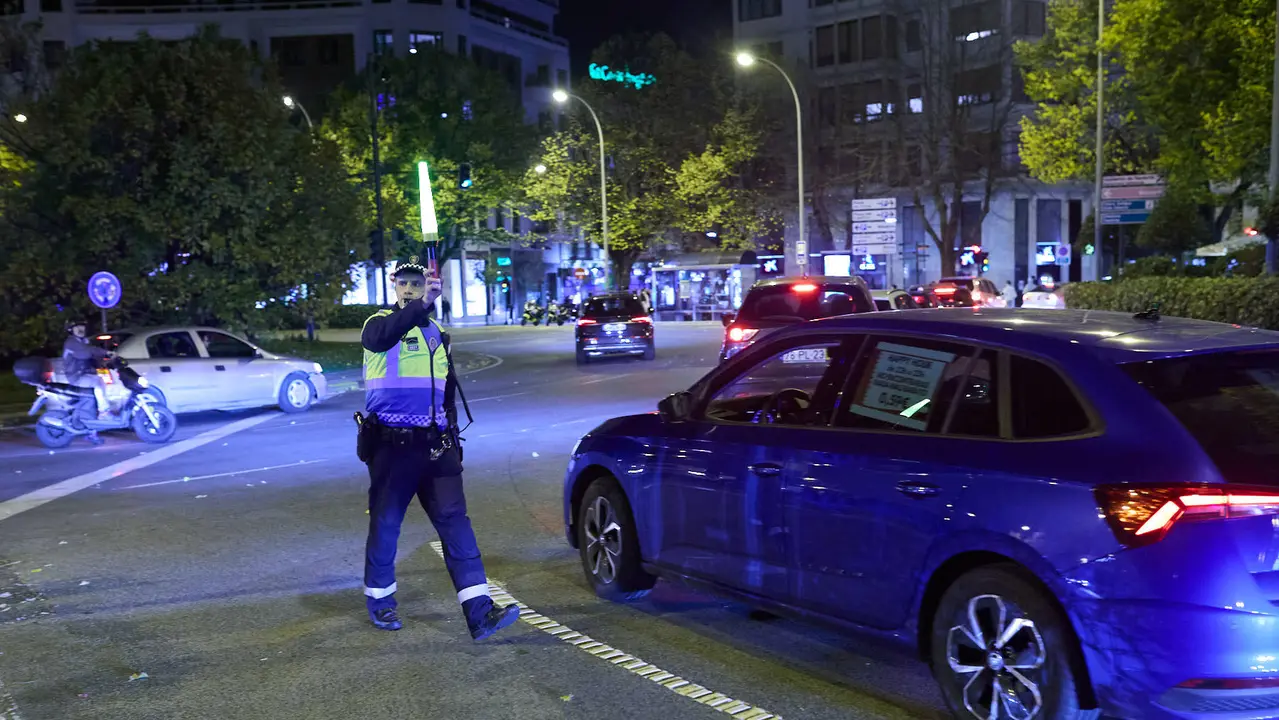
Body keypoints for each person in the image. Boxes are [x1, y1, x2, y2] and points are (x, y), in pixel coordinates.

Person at [356, 255, 520, 639]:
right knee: (386, 525)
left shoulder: (438, 333)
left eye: (417, 283)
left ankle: (480, 613)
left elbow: (445, 392)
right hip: (392, 447)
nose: (410, 289)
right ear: (394, 285)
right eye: (404, 283)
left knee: (457, 526)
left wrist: (452, 441)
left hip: (435, 446)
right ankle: (381, 603)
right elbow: (385, 336)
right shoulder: (378, 325)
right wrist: (420, 306)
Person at [62, 320, 112, 419]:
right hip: (76, 376)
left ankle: (94, 414)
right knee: (98, 382)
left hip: (84, 373)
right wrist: (104, 353)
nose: (80, 329)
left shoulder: (83, 341)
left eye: (82, 327)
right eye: (77, 327)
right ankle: (104, 412)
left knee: (100, 381)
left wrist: (107, 356)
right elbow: (86, 353)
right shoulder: (72, 342)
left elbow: (92, 352)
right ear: (71, 330)